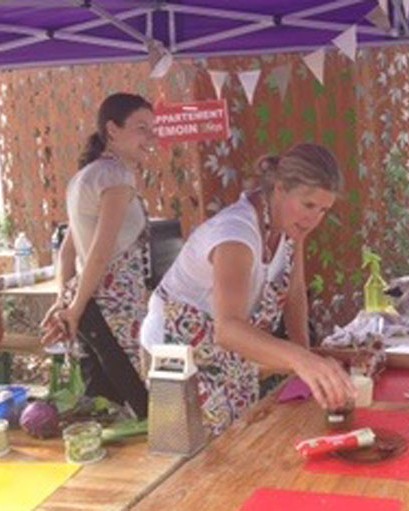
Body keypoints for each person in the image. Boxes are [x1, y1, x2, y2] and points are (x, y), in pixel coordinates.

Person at [140, 143, 355, 436]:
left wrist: (305, 362)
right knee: (189, 461)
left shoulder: (291, 229)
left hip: (227, 357)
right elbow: (228, 329)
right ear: (279, 189)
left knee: (237, 444)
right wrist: (300, 360)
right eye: (308, 205)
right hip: (176, 357)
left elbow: (294, 294)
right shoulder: (236, 234)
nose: (314, 219)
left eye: (323, 210)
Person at [41, 92, 154, 419]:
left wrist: (68, 301)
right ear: (112, 130)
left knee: (105, 407)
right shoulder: (116, 178)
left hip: (90, 306)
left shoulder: (85, 177)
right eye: (141, 128)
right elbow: (100, 255)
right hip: (111, 308)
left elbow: (68, 252)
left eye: (153, 129)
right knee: (142, 403)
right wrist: (72, 309)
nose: (150, 137)